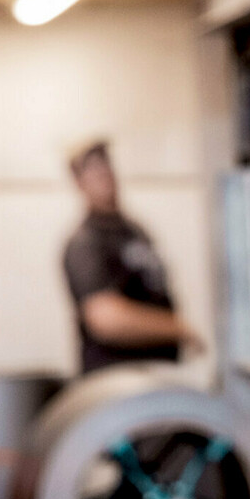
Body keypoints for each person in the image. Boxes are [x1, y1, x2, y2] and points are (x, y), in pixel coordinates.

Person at [60, 138, 200, 372]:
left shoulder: (133, 230)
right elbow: (105, 317)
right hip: (116, 376)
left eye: (105, 163)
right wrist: (177, 328)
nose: (103, 172)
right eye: (91, 168)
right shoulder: (86, 241)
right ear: (78, 181)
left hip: (154, 371)